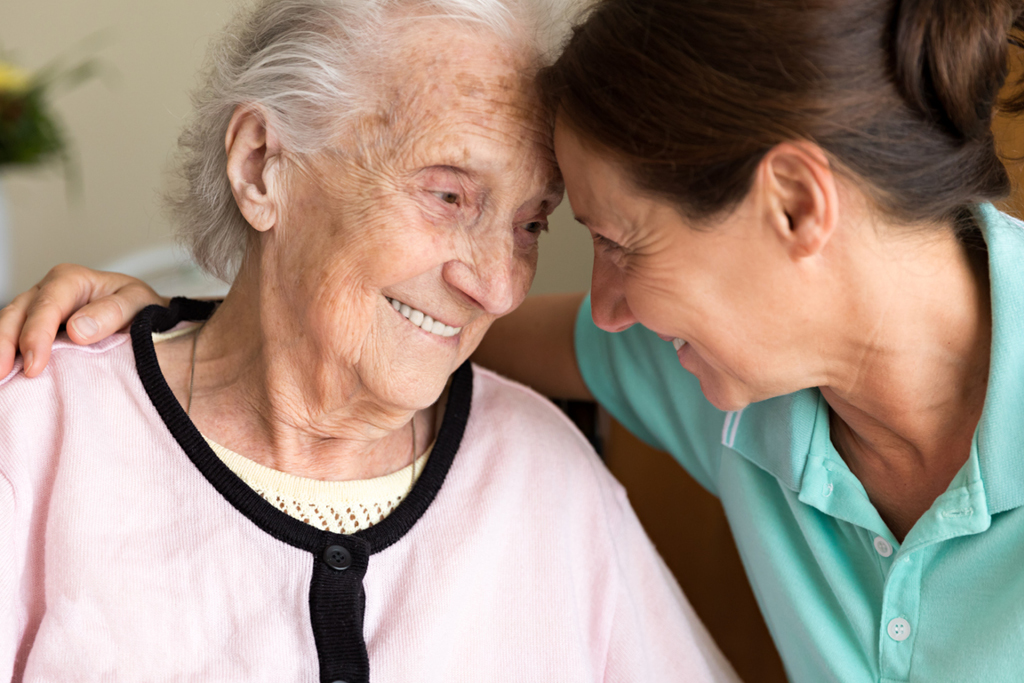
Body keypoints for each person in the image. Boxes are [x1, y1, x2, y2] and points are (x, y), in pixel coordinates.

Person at [6, 0, 1024, 681]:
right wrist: (165, 319)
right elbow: (408, 325)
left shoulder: (615, 431)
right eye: (450, 195)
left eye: (539, 227)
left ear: (798, 210)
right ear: (263, 164)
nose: (503, 284)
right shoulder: (692, 370)